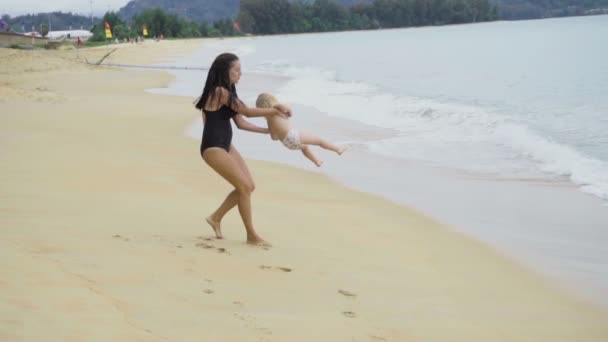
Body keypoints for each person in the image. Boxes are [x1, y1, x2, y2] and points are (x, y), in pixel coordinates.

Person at [194, 53, 291, 247]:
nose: (240, 74)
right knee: (244, 187)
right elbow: (246, 111)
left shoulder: (229, 91)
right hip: (213, 147)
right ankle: (251, 236)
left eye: (240, 70)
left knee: (248, 186)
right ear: (225, 71)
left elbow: (241, 122)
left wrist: (268, 131)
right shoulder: (219, 91)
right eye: (236, 70)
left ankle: (215, 218)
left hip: (225, 145)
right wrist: (275, 110)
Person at [256, 93, 346, 167]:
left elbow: (274, 138)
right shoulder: (276, 109)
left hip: (287, 143)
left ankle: (317, 161)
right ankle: (337, 149)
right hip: (292, 135)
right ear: (272, 101)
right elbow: (285, 107)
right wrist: (284, 105)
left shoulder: (269, 120)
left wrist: (276, 131)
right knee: (320, 141)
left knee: (305, 147)